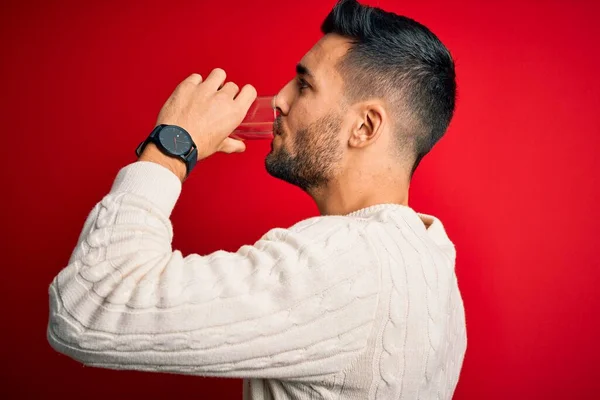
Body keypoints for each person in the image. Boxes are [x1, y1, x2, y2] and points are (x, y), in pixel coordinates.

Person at [46, 0, 467, 399]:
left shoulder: (344, 264)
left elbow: (88, 305)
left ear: (364, 126)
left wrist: (172, 144)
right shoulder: (434, 262)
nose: (280, 99)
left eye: (304, 85)